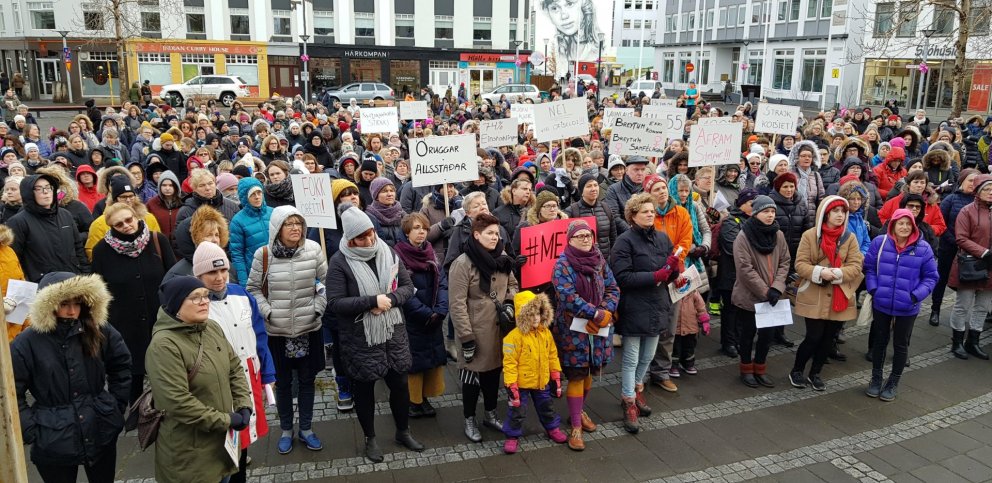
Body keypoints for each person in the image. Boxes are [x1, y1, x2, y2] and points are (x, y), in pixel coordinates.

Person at [327, 205, 425, 461]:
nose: (369, 240)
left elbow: (407, 286)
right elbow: (336, 303)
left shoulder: (388, 252)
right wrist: (371, 301)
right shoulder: (339, 262)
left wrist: (389, 300)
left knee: (400, 384)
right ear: (350, 239)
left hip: (393, 331)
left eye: (371, 233)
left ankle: (403, 431)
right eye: (362, 237)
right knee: (365, 388)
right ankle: (370, 438)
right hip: (361, 337)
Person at [12, 272, 131, 483]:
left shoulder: (98, 329)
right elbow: (12, 390)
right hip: (52, 435)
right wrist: (31, 429)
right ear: (48, 305)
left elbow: (121, 365)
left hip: (99, 425)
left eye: (78, 303)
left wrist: (114, 405)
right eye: (65, 303)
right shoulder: (28, 342)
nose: (72, 311)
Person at [146, 277, 253, 483]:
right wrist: (228, 420)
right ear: (176, 305)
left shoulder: (211, 328)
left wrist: (243, 405)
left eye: (205, 296)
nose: (204, 301)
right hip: (191, 456)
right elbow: (178, 403)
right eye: (195, 298)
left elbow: (234, 368)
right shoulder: (164, 346)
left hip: (222, 447)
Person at [247, 205, 327, 454]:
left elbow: (324, 282)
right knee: (282, 384)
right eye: (289, 224)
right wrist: (268, 312)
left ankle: (306, 428)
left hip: (308, 328)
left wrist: (318, 308)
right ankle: (285, 430)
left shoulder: (313, 250)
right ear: (277, 228)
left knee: (307, 381)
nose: (295, 228)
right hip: (277, 332)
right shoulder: (264, 255)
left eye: (298, 223)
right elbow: (253, 289)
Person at [193, 242, 275, 482]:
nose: (219, 278)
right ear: (199, 275)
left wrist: (268, 374)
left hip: (249, 374)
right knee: (222, 444)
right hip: (217, 383)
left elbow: (259, 335)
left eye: (223, 271)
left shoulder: (241, 294)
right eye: (211, 273)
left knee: (243, 438)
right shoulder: (196, 304)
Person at [91, 202, 175, 404]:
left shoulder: (157, 240)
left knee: (166, 374)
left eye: (129, 219)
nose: (126, 225)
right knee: (131, 379)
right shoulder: (101, 250)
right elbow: (98, 291)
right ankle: (135, 418)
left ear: (136, 216)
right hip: (125, 326)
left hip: (160, 322)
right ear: (111, 226)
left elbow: (172, 279)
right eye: (119, 224)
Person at [611, 193, 679, 434]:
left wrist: (673, 271)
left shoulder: (662, 238)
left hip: (658, 304)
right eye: (645, 211)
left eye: (652, 210)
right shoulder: (624, 241)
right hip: (634, 305)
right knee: (630, 358)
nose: (650, 214)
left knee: (648, 356)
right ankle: (628, 400)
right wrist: (656, 276)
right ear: (633, 216)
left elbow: (668, 270)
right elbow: (622, 276)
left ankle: (637, 389)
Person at [448, 213, 518, 443]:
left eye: (497, 234)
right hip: (474, 330)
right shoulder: (462, 263)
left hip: (499, 327)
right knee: (470, 377)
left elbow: (512, 283)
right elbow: (456, 303)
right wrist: (466, 337)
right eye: (489, 233)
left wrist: (509, 302)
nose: (495, 238)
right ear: (476, 235)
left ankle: (490, 413)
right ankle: (469, 418)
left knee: (493, 373)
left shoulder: (503, 257)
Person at [550, 219, 619, 450]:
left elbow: (613, 287)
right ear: (569, 240)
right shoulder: (562, 265)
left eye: (588, 235)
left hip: (597, 329)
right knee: (578, 374)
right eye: (580, 236)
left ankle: (577, 412)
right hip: (573, 330)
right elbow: (567, 297)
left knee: (591, 368)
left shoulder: (599, 260)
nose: (586, 239)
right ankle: (576, 427)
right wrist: (595, 314)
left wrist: (607, 310)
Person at [789, 196, 864, 391]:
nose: (840, 215)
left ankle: (815, 373)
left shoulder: (850, 238)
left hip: (840, 295)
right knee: (813, 336)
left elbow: (856, 265)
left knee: (828, 338)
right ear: (826, 213)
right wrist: (820, 272)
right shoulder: (810, 236)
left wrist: (838, 273)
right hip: (815, 293)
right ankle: (797, 370)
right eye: (835, 211)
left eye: (843, 212)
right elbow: (800, 264)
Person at [864, 209, 938, 401]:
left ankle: (893, 381)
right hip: (882, 302)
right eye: (900, 223)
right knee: (879, 342)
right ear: (893, 225)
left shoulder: (923, 248)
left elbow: (931, 277)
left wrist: (915, 296)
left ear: (913, 226)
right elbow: (869, 268)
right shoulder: (879, 243)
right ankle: (876, 378)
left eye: (908, 224)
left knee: (900, 344)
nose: (904, 227)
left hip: (907, 306)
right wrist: (874, 289)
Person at [733, 195, 791, 388]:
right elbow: (744, 269)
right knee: (747, 335)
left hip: (772, 296)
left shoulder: (778, 235)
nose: (770, 215)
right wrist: (765, 291)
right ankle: (746, 369)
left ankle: (760, 368)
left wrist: (777, 287)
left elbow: (785, 262)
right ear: (756, 213)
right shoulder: (743, 236)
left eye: (772, 211)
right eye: (766, 211)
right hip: (750, 296)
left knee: (767, 336)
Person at [394, 213, 448, 419]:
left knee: (430, 360)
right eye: (416, 228)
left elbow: (442, 282)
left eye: (424, 228)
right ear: (407, 232)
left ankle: (423, 398)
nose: (421, 232)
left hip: (433, 317)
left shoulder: (430, 253)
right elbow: (401, 290)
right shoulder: (398, 256)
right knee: (413, 363)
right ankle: (412, 401)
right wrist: (425, 313)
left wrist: (441, 309)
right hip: (412, 320)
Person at [501, 291, 567, 454]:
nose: (536, 317)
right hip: (521, 384)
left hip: (541, 381)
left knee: (547, 406)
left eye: (539, 313)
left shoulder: (546, 333)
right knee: (517, 411)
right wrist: (511, 385)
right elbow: (509, 363)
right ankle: (512, 436)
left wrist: (555, 375)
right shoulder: (513, 337)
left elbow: (552, 355)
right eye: (532, 314)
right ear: (522, 315)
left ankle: (552, 428)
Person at [8, 174, 89, 282]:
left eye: (48, 187)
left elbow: (78, 248)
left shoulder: (65, 215)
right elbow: (13, 260)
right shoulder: (18, 222)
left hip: (73, 280)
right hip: (41, 286)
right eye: (38, 189)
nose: (45, 192)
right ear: (28, 193)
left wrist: (86, 275)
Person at [948, 175, 992, 361]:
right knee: (962, 306)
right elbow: (961, 238)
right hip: (971, 265)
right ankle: (957, 342)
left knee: (983, 306)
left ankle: (973, 341)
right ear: (978, 191)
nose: (991, 193)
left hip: (990, 268)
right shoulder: (967, 211)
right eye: (987, 189)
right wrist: (984, 253)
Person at [930, 168, 978, 326]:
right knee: (941, 279)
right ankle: (935, 309)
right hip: (949, 247)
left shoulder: (980, 202)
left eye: (976, 181)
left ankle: (962, 313)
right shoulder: (950, 199)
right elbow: (942, 225)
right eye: (970, 180)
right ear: (962, 181)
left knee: (967, 281)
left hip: (971, 250)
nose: (973, 184)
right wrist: (957, 242)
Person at [229, 177, 273, 285]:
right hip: (255, 274)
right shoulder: (237, 221)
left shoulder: (274, 212)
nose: (257, 197)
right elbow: (237, 254)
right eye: (252, 194)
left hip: (279, 270)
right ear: (245, 197)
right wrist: (244, 283)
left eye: (259, 192)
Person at [366, 177, 407, 247]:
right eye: (384, 191)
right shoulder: (369, 216)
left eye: (392, 190)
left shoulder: (402, 214)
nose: (389, 194)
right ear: (376, 195)